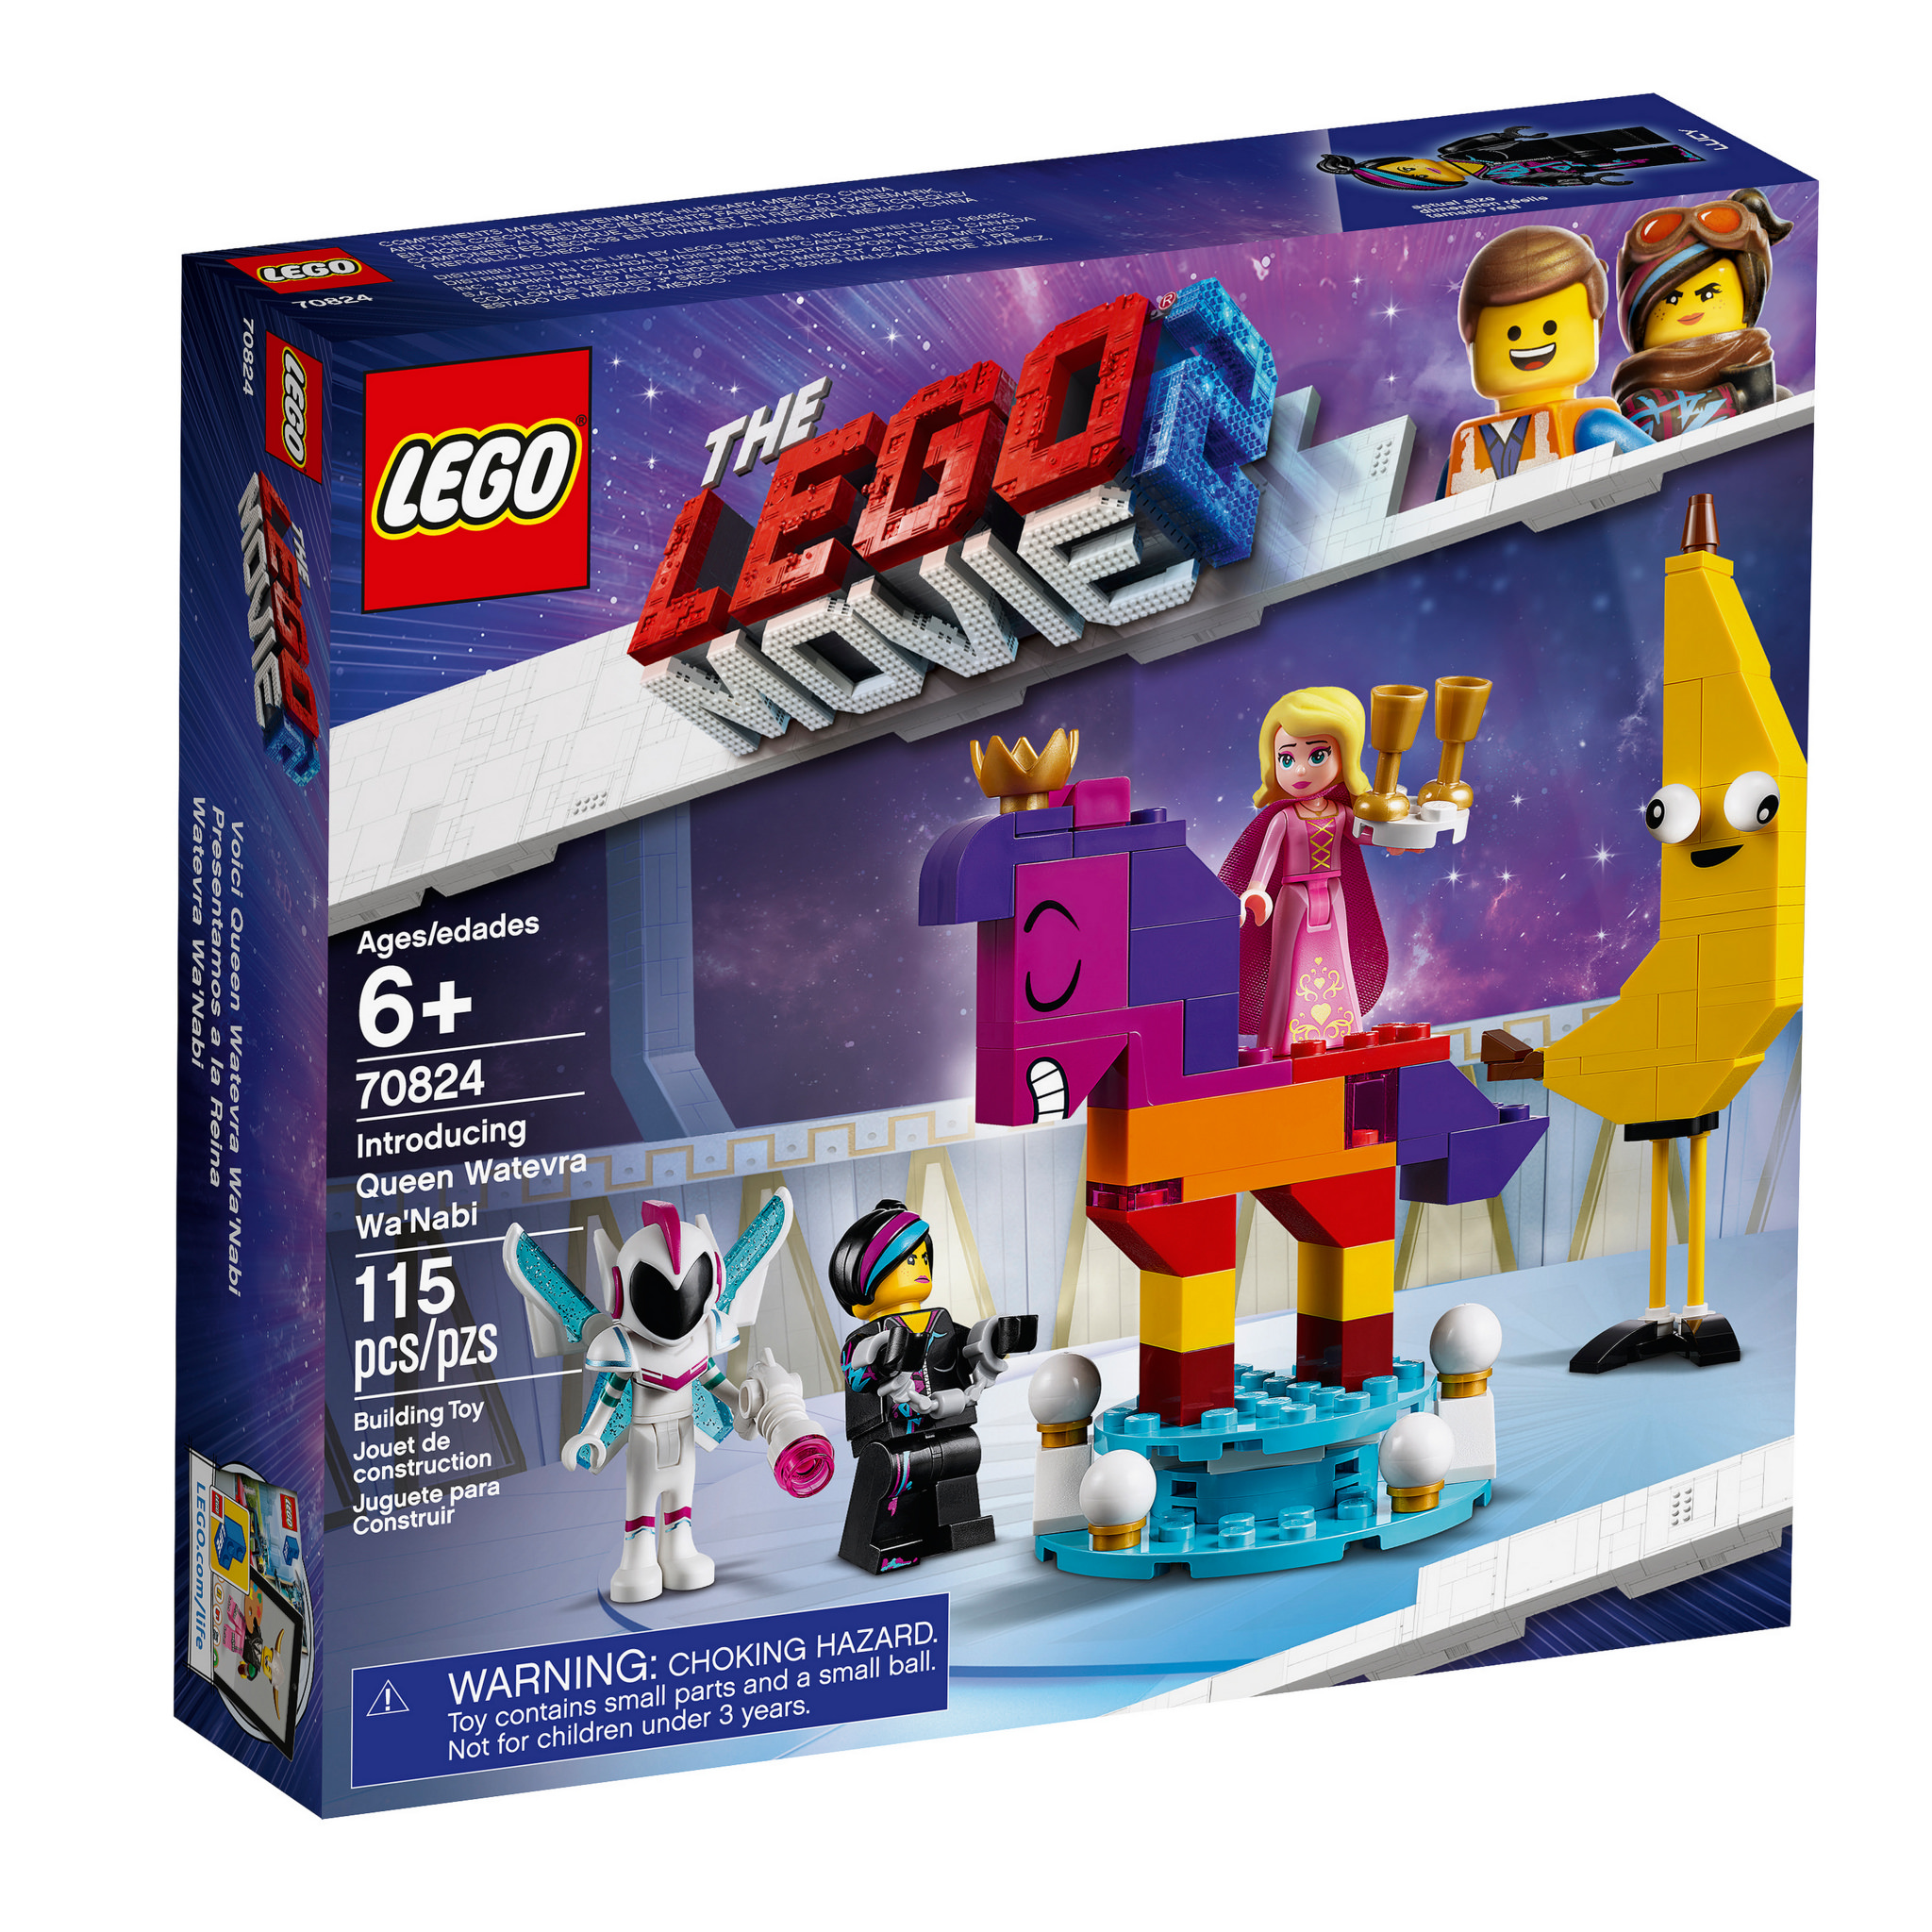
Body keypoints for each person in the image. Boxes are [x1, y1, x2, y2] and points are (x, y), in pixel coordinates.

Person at [830, 1201, 1035, 1574]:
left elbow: (966, 1348)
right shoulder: (871, 1334)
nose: (921, 1267)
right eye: (910, 1259)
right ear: (867, 1273)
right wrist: (880, 1361)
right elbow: (856, 1371)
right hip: (894, 1431)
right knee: (899, 1470)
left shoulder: (938, 1319)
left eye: (924, 1259)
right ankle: (888, 1540)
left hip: (948, 1421)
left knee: (963, 1454)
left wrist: (996, 1341)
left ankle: (959, 1526)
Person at [1216, 687, 1390, 1056]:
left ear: (1345, 756)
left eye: (1317, 755)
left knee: (1338, 958)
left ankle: (1344, 1030)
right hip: (1293, 896)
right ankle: (1284, 1037)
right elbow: (1265, 861)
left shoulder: (1342, 813)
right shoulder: (1283, 818)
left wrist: (1399, 840)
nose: (1299, 770)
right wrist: (1256, 891)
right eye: (1286, 757)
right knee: (1289, 965)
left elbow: (1368, 836)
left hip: (1334, 893)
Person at [1441, 225, 1652, 498]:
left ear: (1595, 329)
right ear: (1472, 348)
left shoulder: (1593, 427)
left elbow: (1666, 475)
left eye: (1551, 327)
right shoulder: (1463, 456)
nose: (1531, 343)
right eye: (1512, 333)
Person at [1610, 190, 1795, 441]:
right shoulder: (1641, 399)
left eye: (1709, 294)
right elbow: (1648, 420)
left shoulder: (1760, 376)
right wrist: (1742, 398)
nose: (1689, 308)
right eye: (1672, 300)